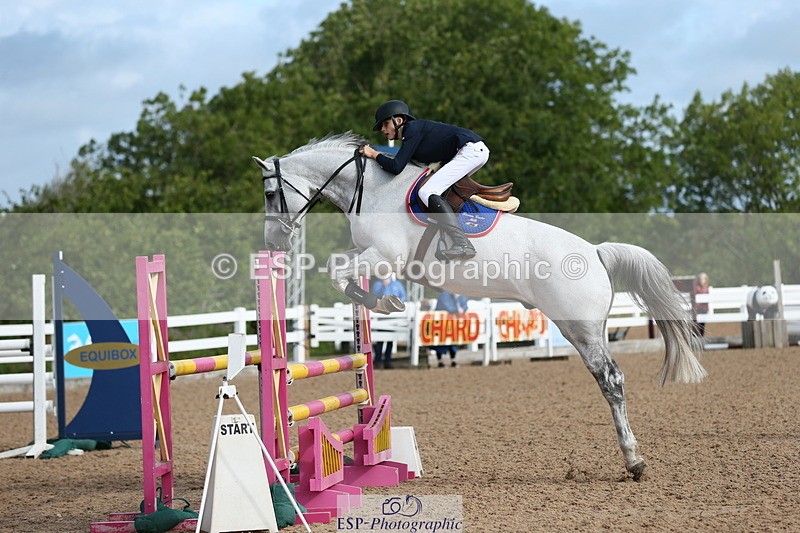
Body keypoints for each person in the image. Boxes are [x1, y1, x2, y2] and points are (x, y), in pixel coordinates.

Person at [359, 100, 489, 261]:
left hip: (470, 151)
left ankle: (462, 243)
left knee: (427, 191)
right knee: (437, 192)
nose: (383, 130)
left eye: (385, 124)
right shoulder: (412, 136)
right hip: (472, 151)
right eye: (381, 128)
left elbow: (396, 167)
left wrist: (373, 153)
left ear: (398, 121)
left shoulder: (412, 129)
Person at [371, 276, 407, 369]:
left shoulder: (397, 284)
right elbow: (376, 297)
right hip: (382, 315)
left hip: (393, 315)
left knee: (390, 339)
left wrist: (397, 305)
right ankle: (378, 360)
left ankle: (388, 360)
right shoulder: (378, 285)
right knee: (380, 339)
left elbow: (403, 296)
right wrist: (385, 287)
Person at [433, 290, 469, 368]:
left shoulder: (461, 295)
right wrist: (457, 308)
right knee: (440, 342)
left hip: (453, 324)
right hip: (441, 323)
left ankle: (453, 360)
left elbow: (465, 306)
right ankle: (440, 361)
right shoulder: (444, 295)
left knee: (453, 341)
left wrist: (460, 307)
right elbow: (447, 307)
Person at [692, 272, 710, 337]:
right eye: (701, 278)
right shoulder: (697, 286)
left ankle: (701, 336)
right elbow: (695, 293)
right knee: (697, 322)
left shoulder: (707, 287)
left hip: (703, 308)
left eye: (703, 278)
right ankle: (696, 335)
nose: (702, 279)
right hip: (697, 308)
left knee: (702, 323)